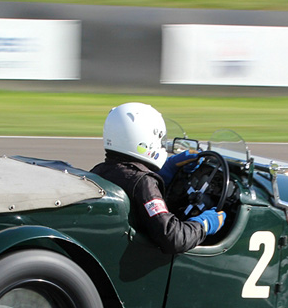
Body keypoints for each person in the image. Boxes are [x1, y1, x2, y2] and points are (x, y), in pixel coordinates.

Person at [90, 102, 226, 255]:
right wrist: (204, 224)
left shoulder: (99, 170)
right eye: (160, 139)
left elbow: (132, 187)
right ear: (146, 139)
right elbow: (173, 238)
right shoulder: (143, 183)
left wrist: (164, 173)